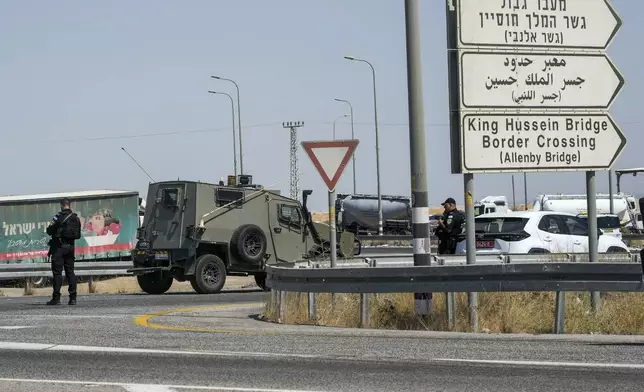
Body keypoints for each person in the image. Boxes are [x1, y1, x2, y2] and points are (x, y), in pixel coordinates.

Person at [46, 198, 82, 306]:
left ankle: (56, 298)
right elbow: (78, 235)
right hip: (70, 248)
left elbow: (49, 231)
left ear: (61, 205)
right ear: (70, 205)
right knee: (70, 272)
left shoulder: (58, 217)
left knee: (57, 273)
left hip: (59, 248)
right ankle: (73, 298)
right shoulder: (76, 218)